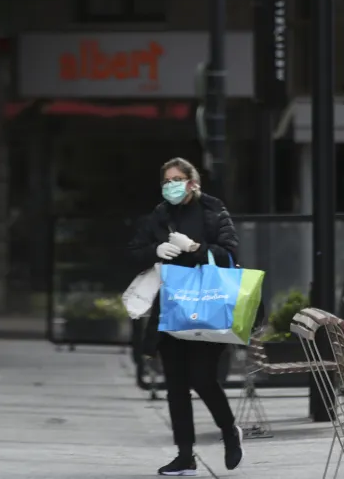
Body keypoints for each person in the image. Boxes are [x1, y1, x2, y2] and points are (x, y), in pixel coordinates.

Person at [128, 157, 244, 476]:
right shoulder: (160, 215)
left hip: (207, 306)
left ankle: (229, 432)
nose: (171, 186)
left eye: (177, 179)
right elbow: (135, 251)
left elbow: (230, 253)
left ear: (193, 182)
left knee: (203, 378)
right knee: (176, 385)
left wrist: (195, 247)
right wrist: (156, 251)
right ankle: (185, 455)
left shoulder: (212, 210)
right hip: (172, 308)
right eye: (166, 181)